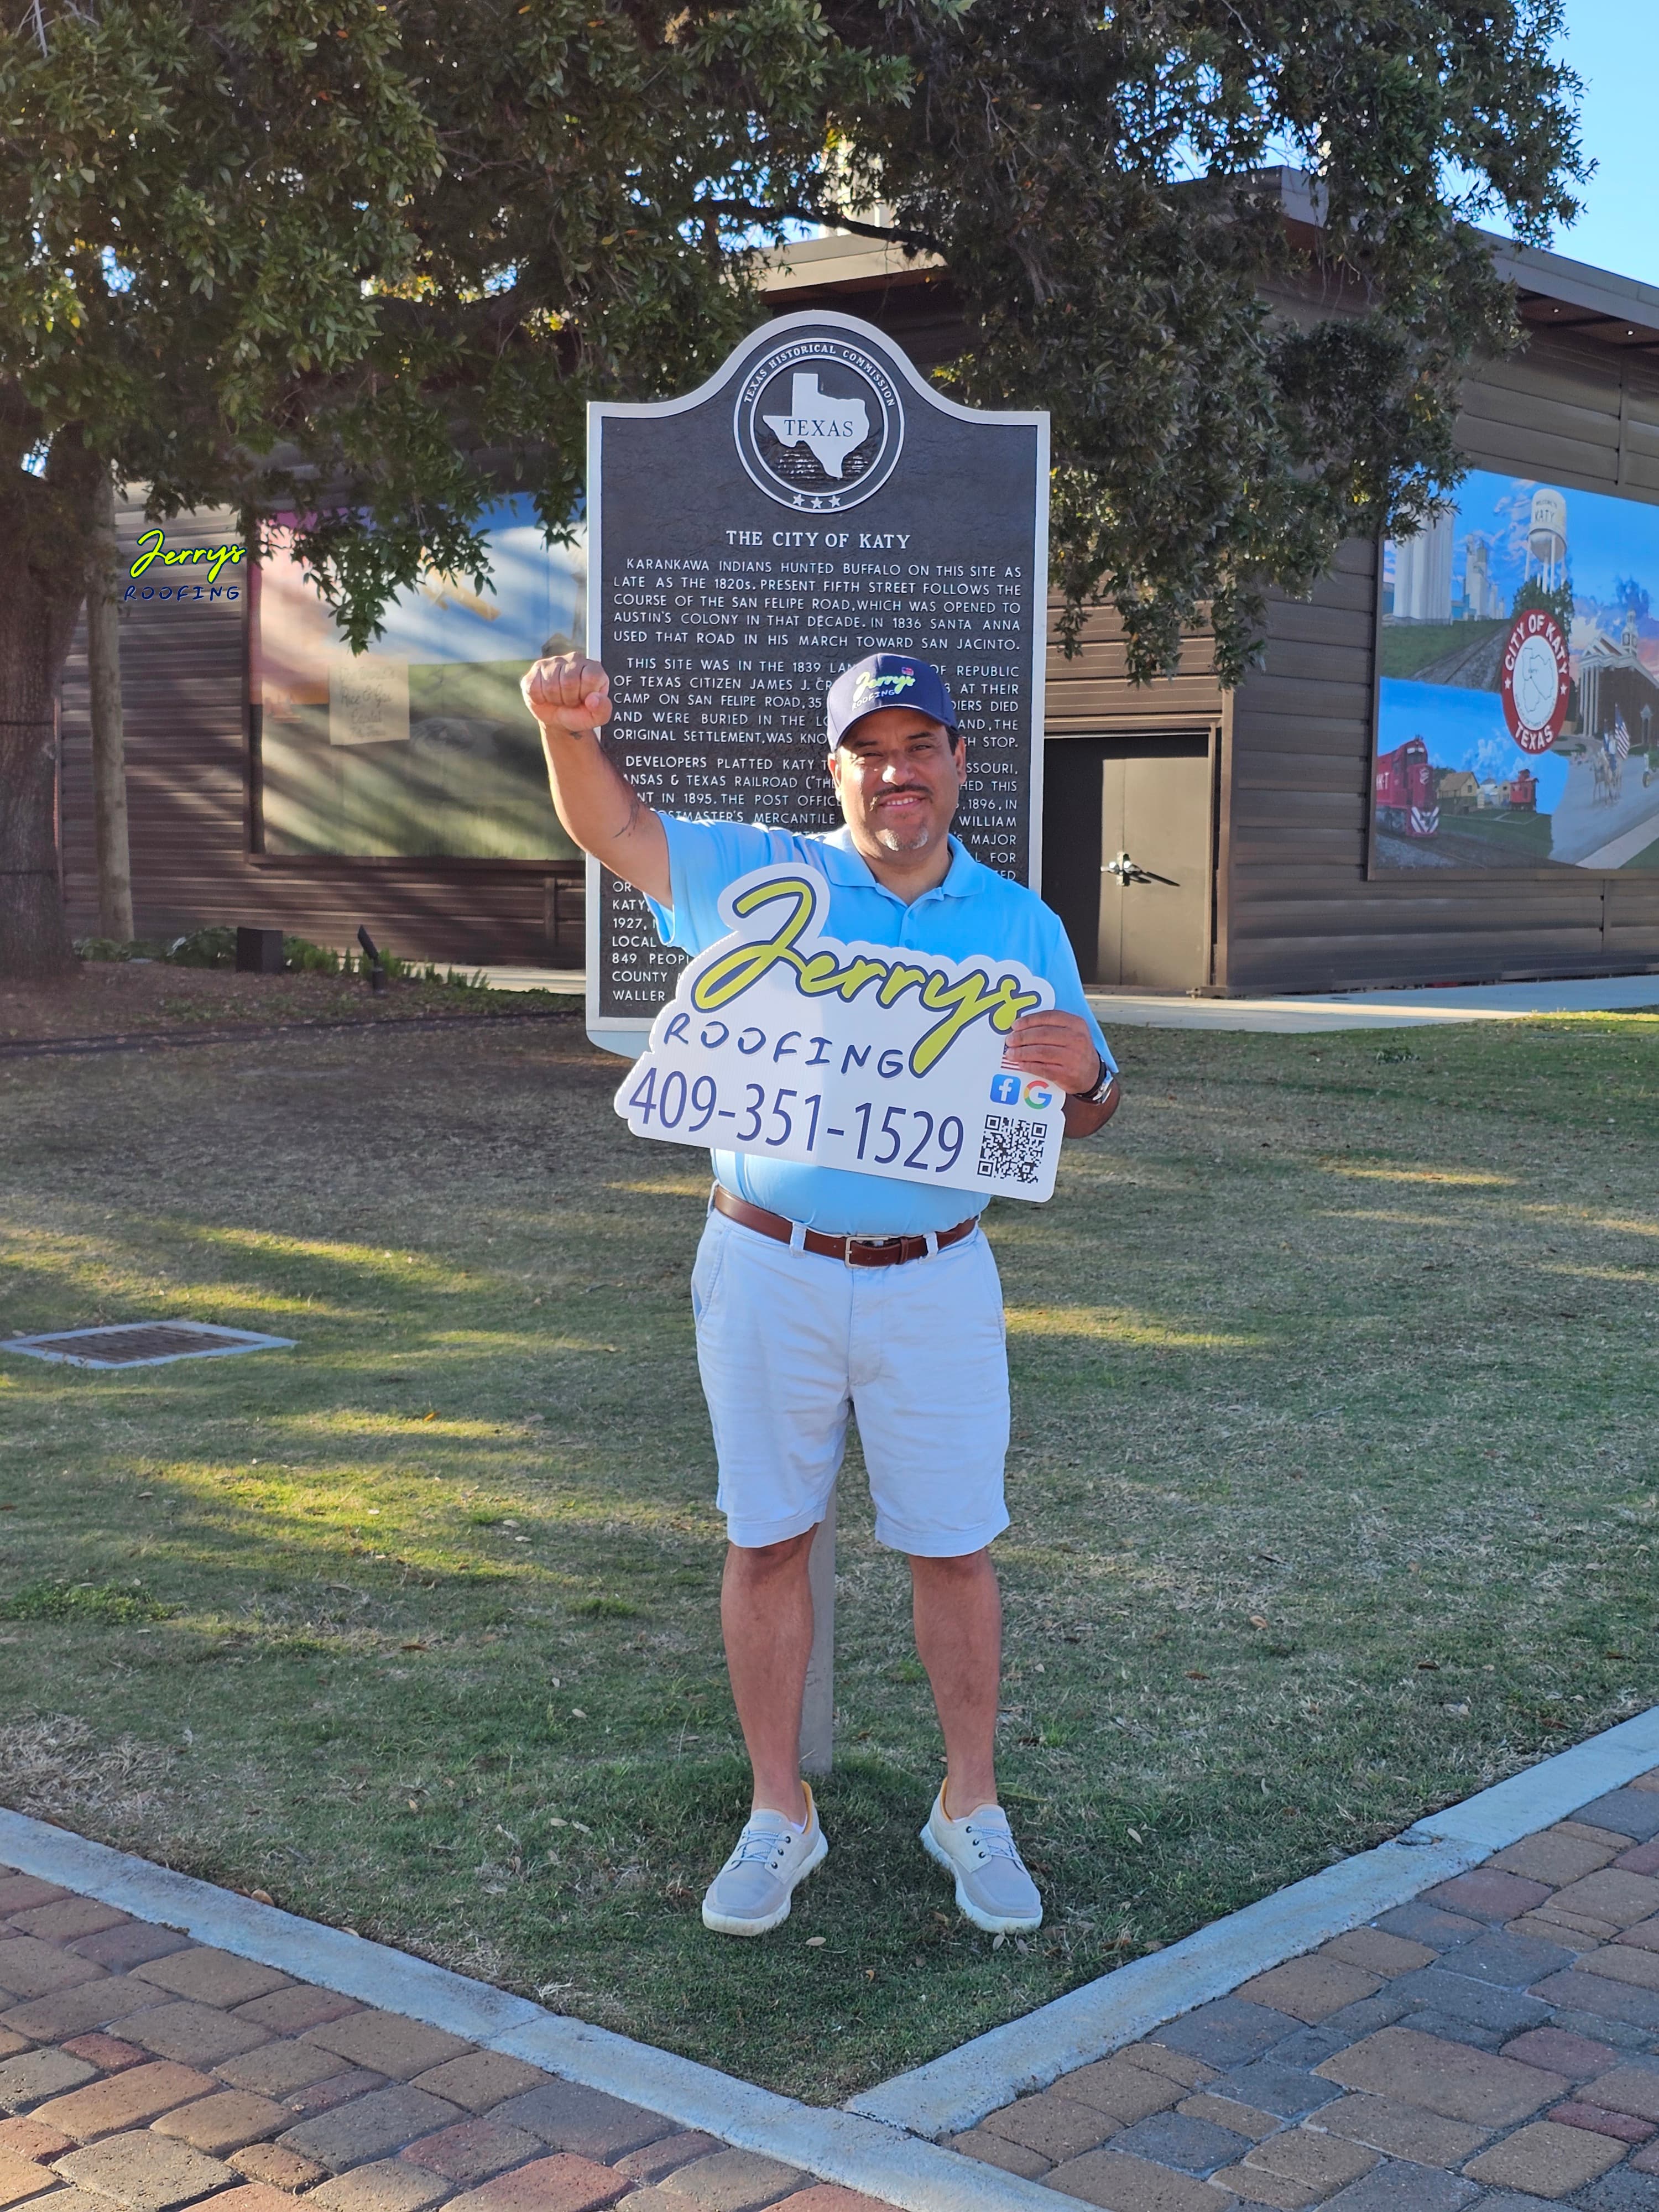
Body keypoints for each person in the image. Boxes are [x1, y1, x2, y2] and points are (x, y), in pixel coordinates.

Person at [520, 649, 1120, 1939]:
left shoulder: (1021, 922)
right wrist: (569, 733)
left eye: (921, 748)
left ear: (961, 763)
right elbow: (615, 828)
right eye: (870, 750)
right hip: (767, 1262)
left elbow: (1088, 1100)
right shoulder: (761, 879)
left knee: (954, 1542)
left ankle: (969, 1801)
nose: (895, 772)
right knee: (767, 1531)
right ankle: (778, 1809)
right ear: (833, 767)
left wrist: (1093, 1079)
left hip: (939, 1277)